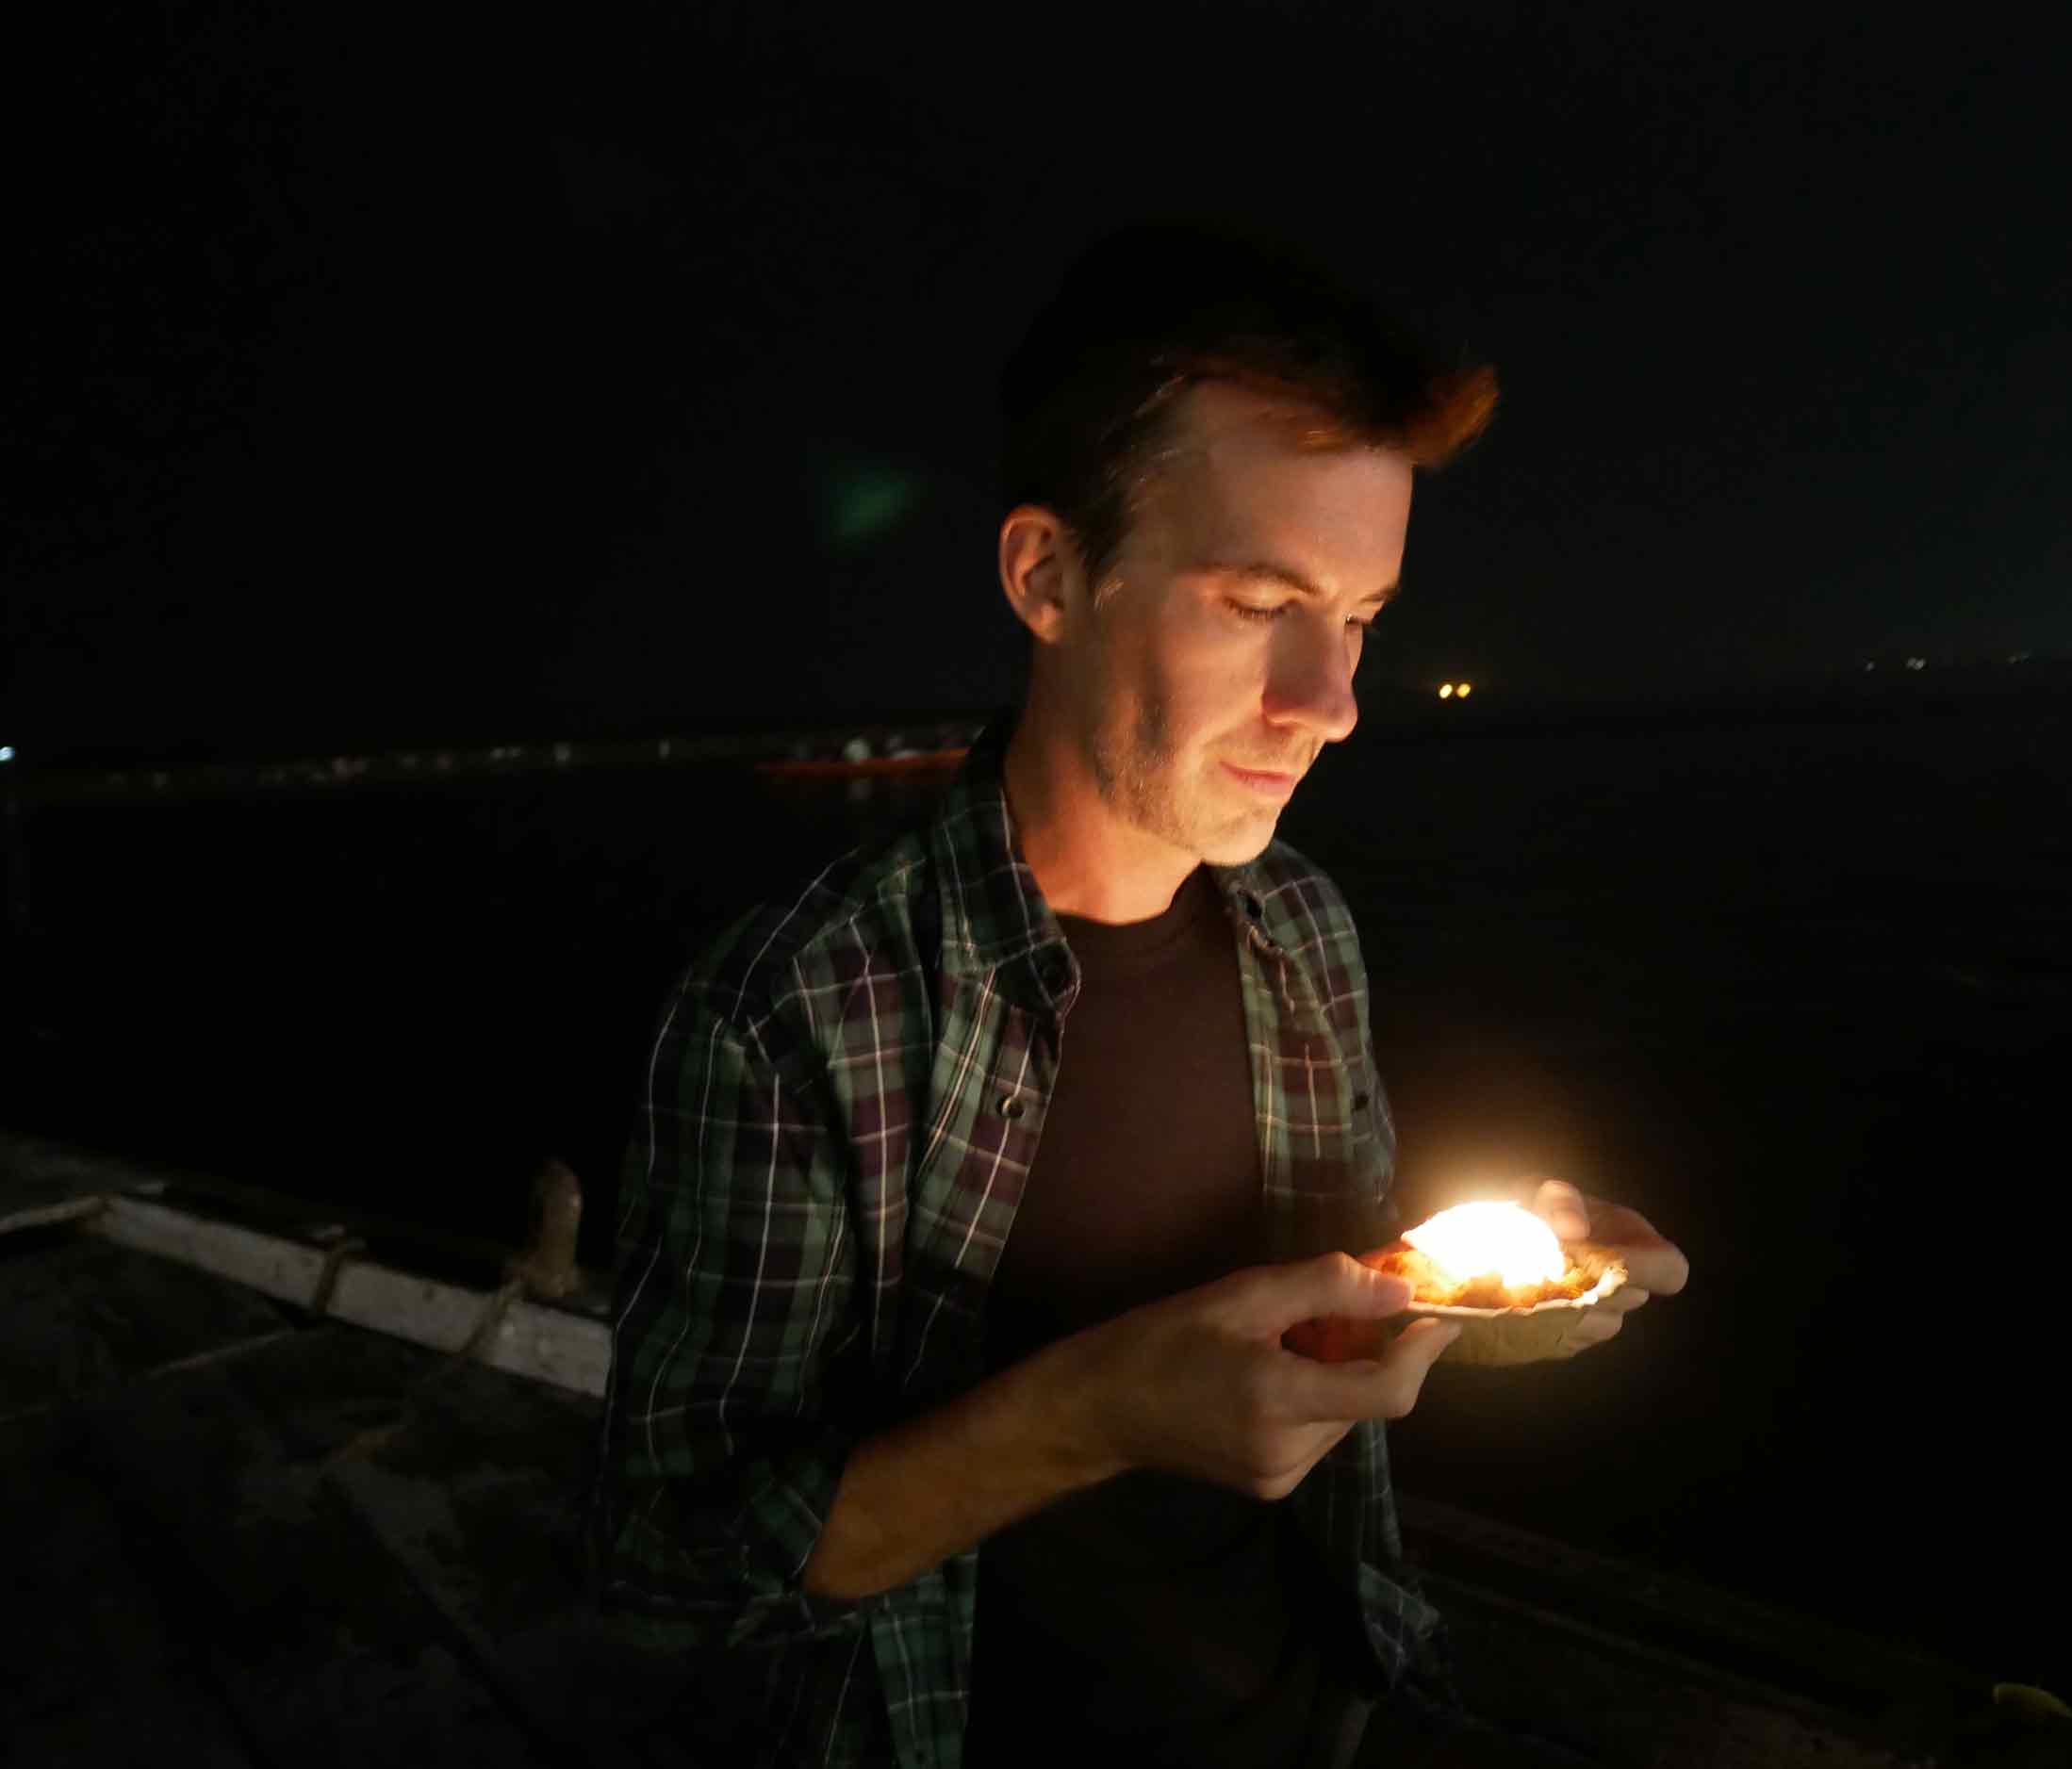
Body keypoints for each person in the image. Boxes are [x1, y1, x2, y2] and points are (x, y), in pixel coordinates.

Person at [580, 217, 1690, 1769]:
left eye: (1359, 620)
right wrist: (1093, 1412)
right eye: (1257, 605)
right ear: (1048, 573)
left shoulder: (1304, 930)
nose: (1333, 705)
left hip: (1322, 1709)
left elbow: (1329, 1307)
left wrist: (1497, 1289)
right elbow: (673, 1564)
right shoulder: (796, 1011)